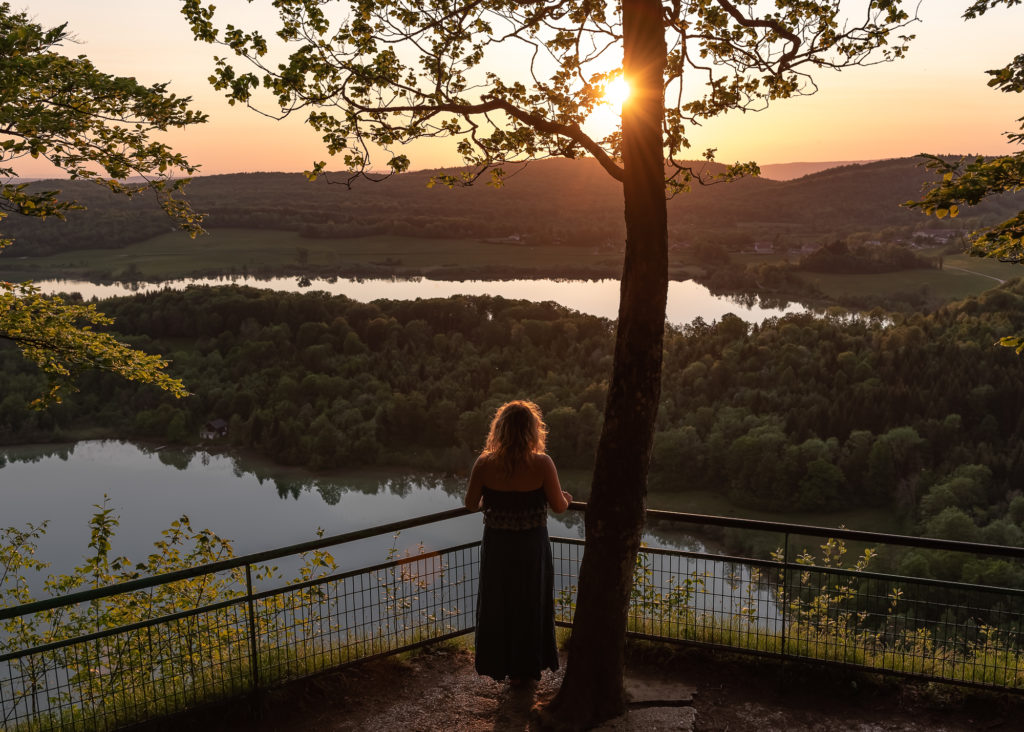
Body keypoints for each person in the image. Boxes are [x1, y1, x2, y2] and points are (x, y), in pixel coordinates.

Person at [464, 400, 572, 686]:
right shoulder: (542, 463)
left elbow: (470, 503)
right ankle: (527, 668)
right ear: (533, 430)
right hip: (531, 547)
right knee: (530, 601)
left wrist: (494, 499)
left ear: (499, 429)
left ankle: (500, 663)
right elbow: (559, 507)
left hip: (498, 546)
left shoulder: (485, 463)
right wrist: (567, 498)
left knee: (499, 602)